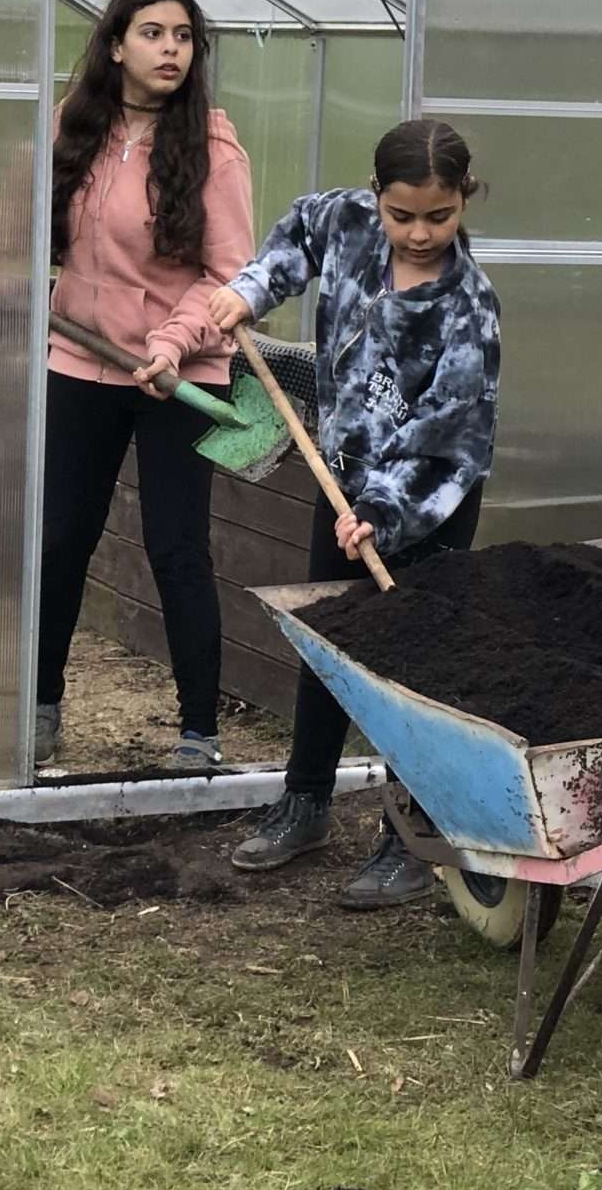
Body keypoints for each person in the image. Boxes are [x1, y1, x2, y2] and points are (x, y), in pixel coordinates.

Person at [204, 120, 501, 909]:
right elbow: (296, 238)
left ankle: (409, 837)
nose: (420, 233)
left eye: (438, 216)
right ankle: (304, 803)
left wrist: (384, 512)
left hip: (425, 503)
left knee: (410, 667)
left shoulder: (468, 309)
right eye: (402, 216)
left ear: (462, 201)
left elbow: (452, 442)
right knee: (327, 642)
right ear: (377, 198)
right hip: (342, 481)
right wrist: (249, 290)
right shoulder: (345, 223)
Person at [38, 0, 256, 772]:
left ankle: (199, 732)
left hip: (180, 375)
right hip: (80, 360)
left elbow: (230, 275)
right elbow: (31, 229)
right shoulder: (73, 130)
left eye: (184, 37)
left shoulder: (213, 149)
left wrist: (170, 344)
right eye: (154, 33)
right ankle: (39, 704)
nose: (171, 50)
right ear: (116, 46)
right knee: (60, 537)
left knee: (176, 546)